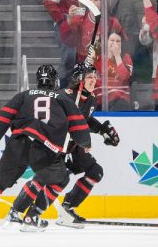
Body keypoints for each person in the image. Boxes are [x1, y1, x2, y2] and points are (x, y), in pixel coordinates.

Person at [0, 64, 92, 232]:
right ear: (54, 81)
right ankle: (33, 216)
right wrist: (85, 143)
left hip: (18, 143)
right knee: (60, 178)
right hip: (44, 149)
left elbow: (0, 120)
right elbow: (79, 124)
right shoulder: (62, 99)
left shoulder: (23, 96)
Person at [49, 63, 119, 227]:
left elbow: (85, 120)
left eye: (95, 77)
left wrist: (102, 131)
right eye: (89, 77)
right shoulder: (65, 95)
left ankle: (68, 207)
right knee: (58, 178)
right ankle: (28, 210)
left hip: (74, 145)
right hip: (58, 145)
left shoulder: (92, 98)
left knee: (96, 172)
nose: (93, 80)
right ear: (79, 79)